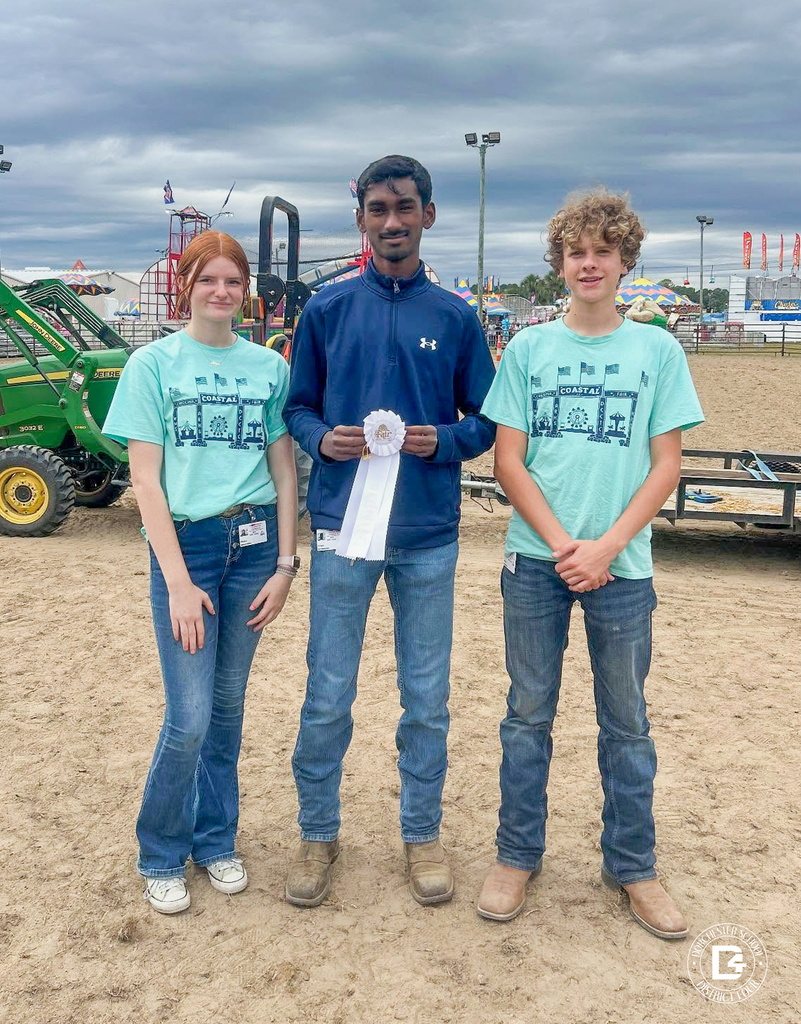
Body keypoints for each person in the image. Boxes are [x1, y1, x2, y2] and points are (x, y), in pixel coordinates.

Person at [476, 188, 704, 939]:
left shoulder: (655, 350)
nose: (588, 264)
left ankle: (633, 865)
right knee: (526, 717)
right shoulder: (531, 349)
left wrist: (605, 546)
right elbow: (509, 460)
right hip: (536, 563)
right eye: (575, 252)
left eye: (602, 252)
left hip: (623, 567)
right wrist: (562, 544)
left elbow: (665, 464)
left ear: (624, 261)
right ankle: (516, 856)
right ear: (558, 263)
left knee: (626, 724)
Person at [284, 154, 496, 908]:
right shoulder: (326, 310)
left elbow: (486, 423)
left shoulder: (456, 317)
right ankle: (317, 834)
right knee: (327, 694)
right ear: (362, 220)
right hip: (342, 533)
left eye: (405, 206)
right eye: (378, 208)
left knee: (426, 699)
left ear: (427, 215)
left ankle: (421, 833)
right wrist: (319, 441)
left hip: (429, 538)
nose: (392, 221)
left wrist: (442, 440)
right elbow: (296, 407)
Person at [103, 231, 297, 914]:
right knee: (186, 716)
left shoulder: (268, 368)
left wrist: (285, 561)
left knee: (226, 710)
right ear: (185, 286)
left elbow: (281, 466)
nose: (221, 292)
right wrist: (178, 581)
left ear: (247, 292)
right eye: (208, 279)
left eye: (233, 281)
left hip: (253, 550)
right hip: (189, 549)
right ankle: (160, 850)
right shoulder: (152, 366)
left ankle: (215, 840)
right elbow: (146, 482)